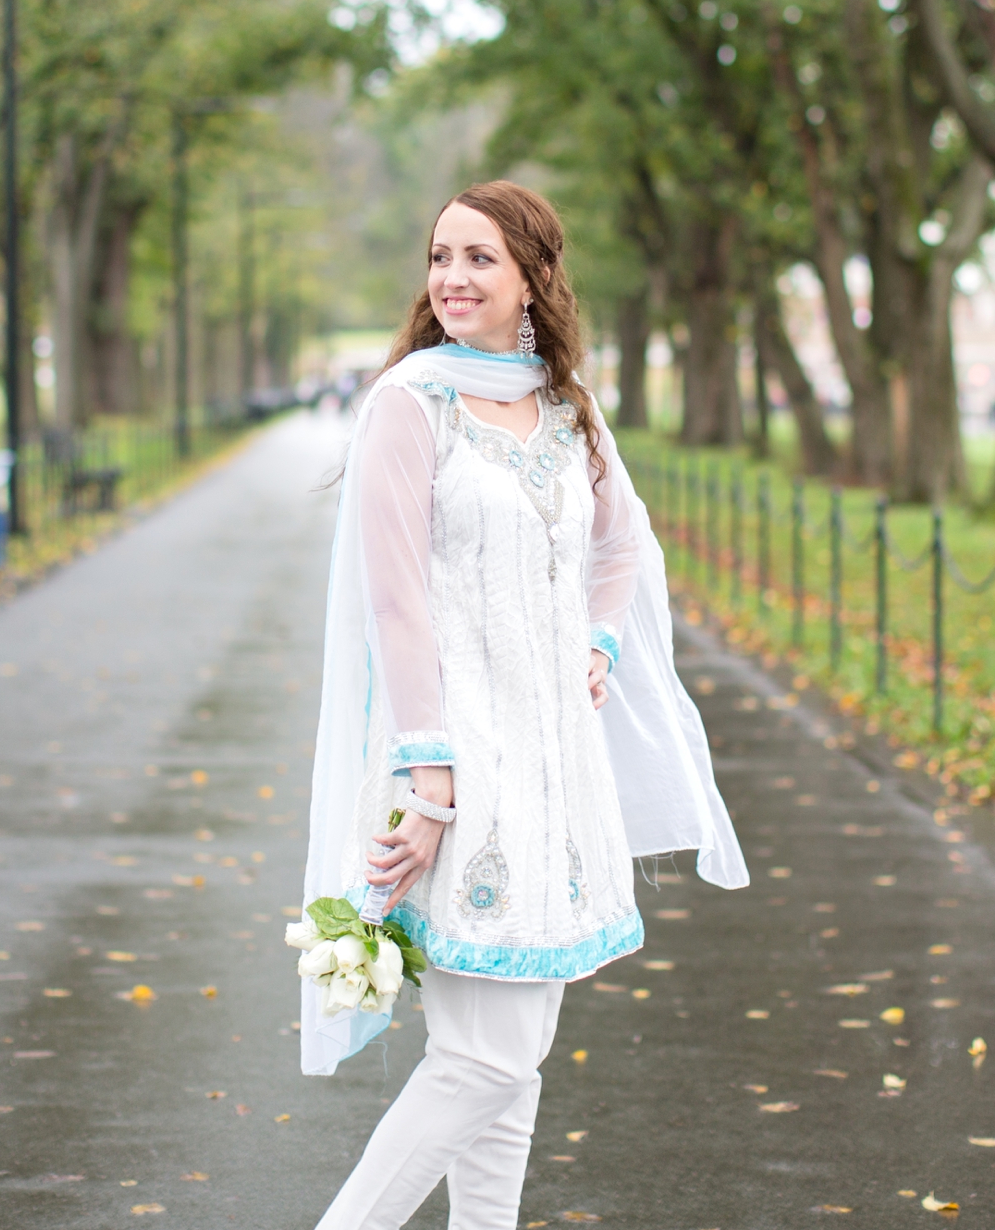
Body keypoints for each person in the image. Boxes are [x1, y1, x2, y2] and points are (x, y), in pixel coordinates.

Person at [300, 181, 748, 1229]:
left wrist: (593, 639)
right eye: (438, 256)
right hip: (451, 760)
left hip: (554, 770)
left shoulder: (564, 405)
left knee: (507, 1058)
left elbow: (622, 539)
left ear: (531, 282)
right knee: (484, 1056)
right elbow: (395, 602)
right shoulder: (409, 405)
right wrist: (429, 782)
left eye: (477, 259)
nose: (450, 278)